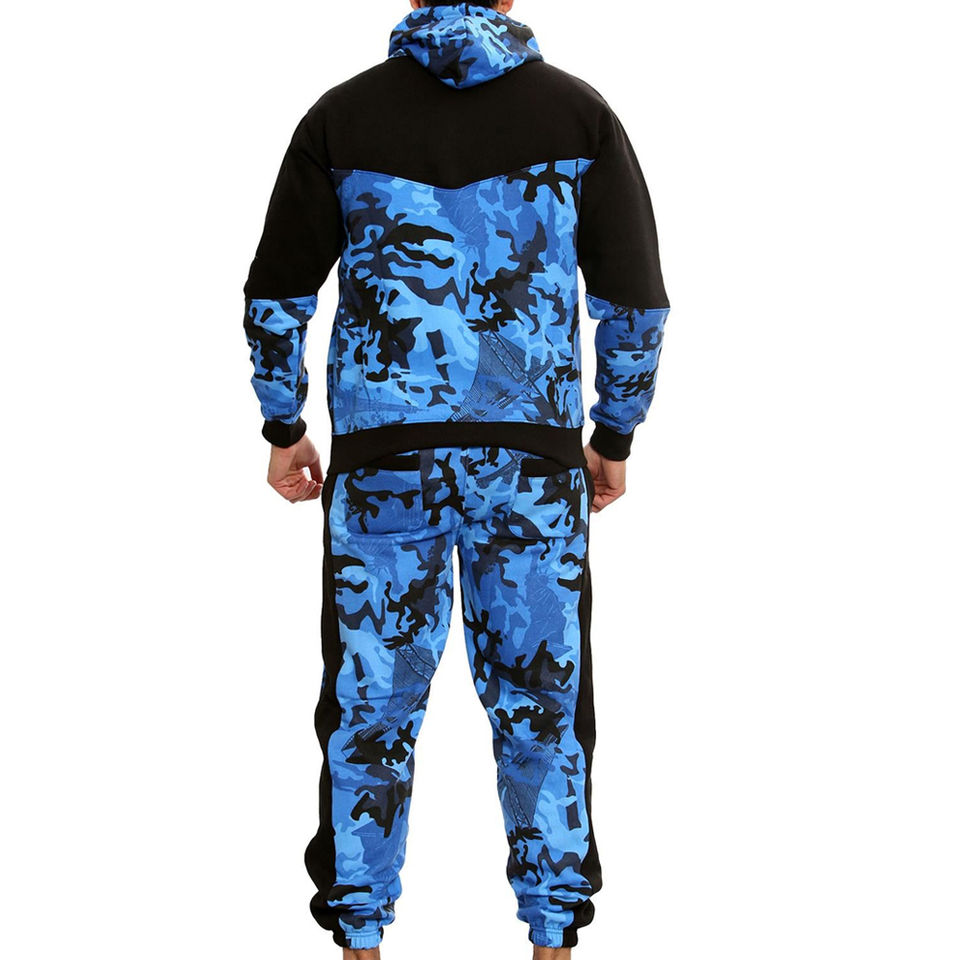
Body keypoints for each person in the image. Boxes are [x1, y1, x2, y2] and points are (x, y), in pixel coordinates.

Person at [242, 1, 670, 956]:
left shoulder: (340, 118)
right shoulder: (580, 116)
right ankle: (553, 937)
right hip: (532, 468)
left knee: (369, 708)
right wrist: (614, 433)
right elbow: (635, 298)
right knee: (543, 704)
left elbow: (276, 294)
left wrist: (284, 424)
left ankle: (359, 938)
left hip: (383, 467)